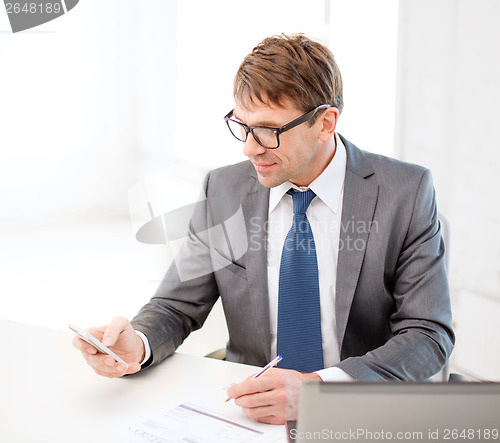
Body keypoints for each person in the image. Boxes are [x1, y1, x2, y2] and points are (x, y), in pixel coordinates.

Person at [73, 33, 454, 425]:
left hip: (356, 412)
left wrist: (318, 391)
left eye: (269, 130)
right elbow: (176, 305)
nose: (249, 148)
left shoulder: (405, 192)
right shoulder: (225, 189)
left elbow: (427, 334)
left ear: (325, 123)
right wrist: (137, 343)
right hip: (247, 414)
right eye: (242, 126)